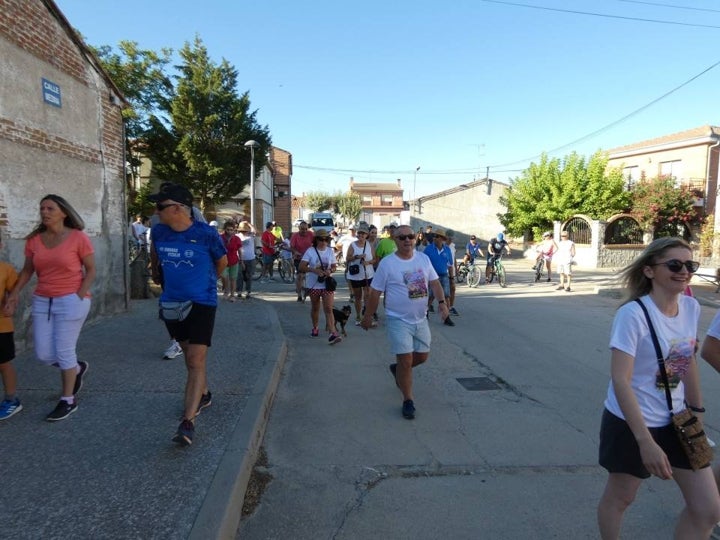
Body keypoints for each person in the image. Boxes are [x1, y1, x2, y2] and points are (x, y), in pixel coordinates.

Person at [597, 237, 720, 539]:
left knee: (708, 508)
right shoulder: (633, 314)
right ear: (650, 271)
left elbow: (684, 361)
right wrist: (645, 441)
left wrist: (697, 411)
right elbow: (621, 380)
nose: (684, 271)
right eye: (674, 264)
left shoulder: (690, 308)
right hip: (632, 422)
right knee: (622, 497)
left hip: (678, 419)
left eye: (690, 265)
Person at [149, 183, 227, 446]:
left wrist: (204, 285)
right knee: (190, 358)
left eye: (160, 207)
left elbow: (222, 262)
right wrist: (159, 277)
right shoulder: (159, 232)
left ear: (178, 208)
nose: (156, 211)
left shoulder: (206, 234)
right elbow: (155, 259)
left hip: (202, 302)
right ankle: (203, 393)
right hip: (172, 303)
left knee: (195, 360)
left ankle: (187, 422)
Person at [4, 194, 95, 421]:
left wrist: (79, 295)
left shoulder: (77, 238)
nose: (45, 212)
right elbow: (27, 271)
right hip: (43, 299)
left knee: (64, 351)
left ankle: (67, 400)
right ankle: (76, 369)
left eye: (50, 208)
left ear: (63, 212)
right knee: (44, 354)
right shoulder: (35, 240)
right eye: (42, 208)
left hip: (72, 299)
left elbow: (91, 270)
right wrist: (14, 294)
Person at [360, 225, 449, 420]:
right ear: (395, 240)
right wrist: (368, 315)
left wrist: (442, 303)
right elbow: (375, 292)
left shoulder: (423, 259)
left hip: (420, 318)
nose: (407, 240)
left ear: (415, 239)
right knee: (406, 360)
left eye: (410, 237)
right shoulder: (388, 264)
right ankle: (408, 400)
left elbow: (434, 283)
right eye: (402, 238)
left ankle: (398, 369)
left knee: (423, 357)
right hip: (397, 319)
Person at [299, 231, 342, 345]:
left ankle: (333, 333)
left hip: (327, 284)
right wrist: (314, 270)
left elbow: (333, 266)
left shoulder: (330, 251)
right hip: (313, 284)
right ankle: (315, 327)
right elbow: (301, 266)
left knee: (328, 308)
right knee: (315, 308)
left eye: (325, 240)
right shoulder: (311, 251)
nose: (323, 242)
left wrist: (330, 271)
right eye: (320, 239)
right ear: (316, 240)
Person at [0, 234, 20, 420]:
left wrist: (11, 305)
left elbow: (14, 294)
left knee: (4, 364)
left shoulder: (6, 269)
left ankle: (12, 399)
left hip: (2, 326)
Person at [346, 223, 376, 325]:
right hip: (356, 276)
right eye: (360, 233)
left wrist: (368, 262)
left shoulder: (369, 245)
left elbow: (375, 259)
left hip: (368, 274)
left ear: (367, 235)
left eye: (364, 233)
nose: (362, 235)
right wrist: (357, 257)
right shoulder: (353, 245)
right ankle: (358, 316)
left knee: (367, 296)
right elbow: (347, 258)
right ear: (357, 234)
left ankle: (366, 316)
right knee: (358, 297)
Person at [424, 230, 456, 326]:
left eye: (437, 236)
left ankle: (447, 317)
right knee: (430, 296)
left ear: (442, 239)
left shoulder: (447, 250)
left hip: (443, 275)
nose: (435, 238)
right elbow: (423, 263)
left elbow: (450, 265)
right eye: (434, 236)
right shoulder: (428, 249)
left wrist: (451, 279)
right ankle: (425, 314)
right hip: (431, 276)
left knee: (446, 296)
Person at [290, 221, 314, 302]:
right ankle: (299, 294)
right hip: (299, 258)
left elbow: (315, 244)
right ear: (299, 228)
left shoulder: (310, 234)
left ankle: (309, 290)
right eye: (302, 229)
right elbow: (292, 247)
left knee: (308, 275)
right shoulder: (295, 236)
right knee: (300, 276)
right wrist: (295, 252)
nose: (304, 231)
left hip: (309, 258)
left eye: (306, 229)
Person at [219, 220, 242, 302]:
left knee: (233, 278)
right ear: (225, 229)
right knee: (224, 276)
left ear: (234, 230)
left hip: (234, 261)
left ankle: (232, 295)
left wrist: (241, 260)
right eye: (228, 229)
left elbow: (239, 250)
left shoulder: (236, 239)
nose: (229, 231)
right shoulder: (220, 238)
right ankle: (226, 290)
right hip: (223, 261)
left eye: (231, 230)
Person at [236, 221, 256, 300]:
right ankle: (239, 291)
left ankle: (248, 291)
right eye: (243, 230)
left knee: (249, 276)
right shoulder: (237, 236)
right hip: (240, 259)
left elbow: (254, 230)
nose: (244, 231)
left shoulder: (251, 235)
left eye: (245, 230)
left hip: (250, 258)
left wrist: (248, 224)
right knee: (239, 276)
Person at [445, 230, 460, 317]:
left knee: (452, 288)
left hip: (451, 270)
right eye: (449, 238)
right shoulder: (442, 246)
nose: (450, 240)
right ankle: (429, 305)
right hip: (443, 270)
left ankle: (451, 306)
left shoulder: (453, 246)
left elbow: (454, 258)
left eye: (452, 238)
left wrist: (456, 268)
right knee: (440, 290)